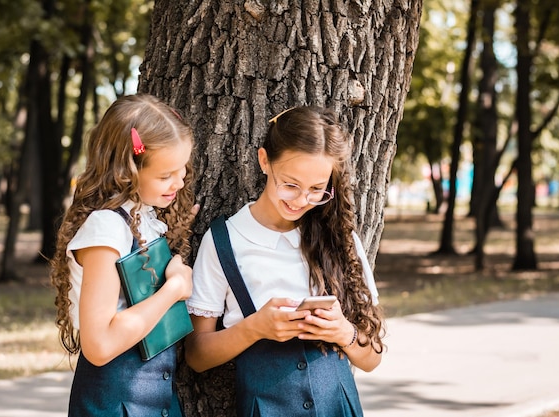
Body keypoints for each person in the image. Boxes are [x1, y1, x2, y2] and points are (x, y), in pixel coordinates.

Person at [185, 106, 385, 416]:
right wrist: (254, 329)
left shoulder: (341, 241)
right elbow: (196, 355)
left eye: (317, 189)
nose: (302, 201)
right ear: (265, 161)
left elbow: (372, 358)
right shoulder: (226, 241)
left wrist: (343, 332)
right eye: (290, 185)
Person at [49, 94, 197, 417]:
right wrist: (172, 291)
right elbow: (99, 345)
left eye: (182, 168)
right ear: (128, 170)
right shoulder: (106, 229)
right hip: (113, 405)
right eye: (165, 175)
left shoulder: (143, 217)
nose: (180, 180)